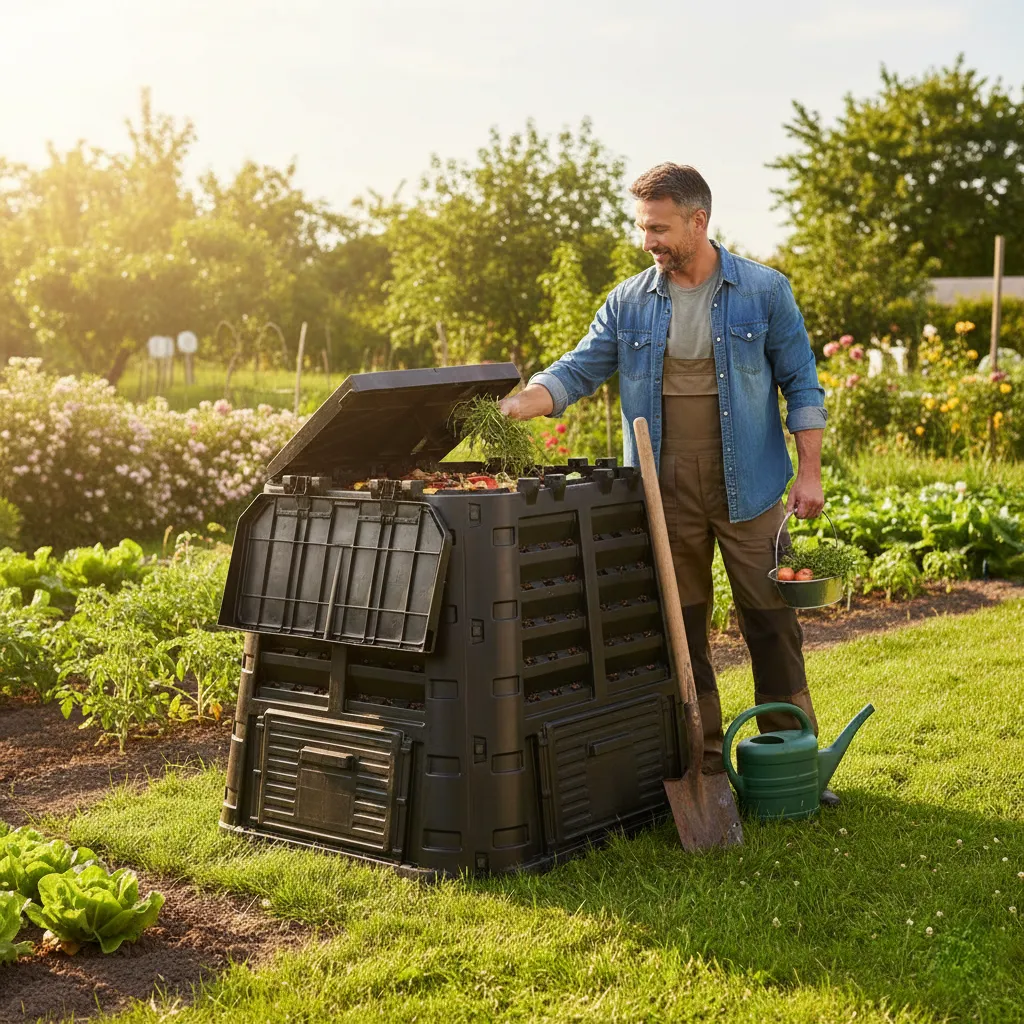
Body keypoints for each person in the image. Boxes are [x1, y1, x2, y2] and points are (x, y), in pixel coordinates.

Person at [500, 162, 839, 806]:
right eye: (641, 228)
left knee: (771, 625)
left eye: (657, 228)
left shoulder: (764, 292)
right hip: (663, 494)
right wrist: (520, 403)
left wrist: (811, 472)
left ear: (698, 220)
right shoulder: (629, 301)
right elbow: (578, 369)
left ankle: (791, 757)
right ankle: (702, 763)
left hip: (751, 488)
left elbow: (802, 384)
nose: (647, 241)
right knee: (680, 629)